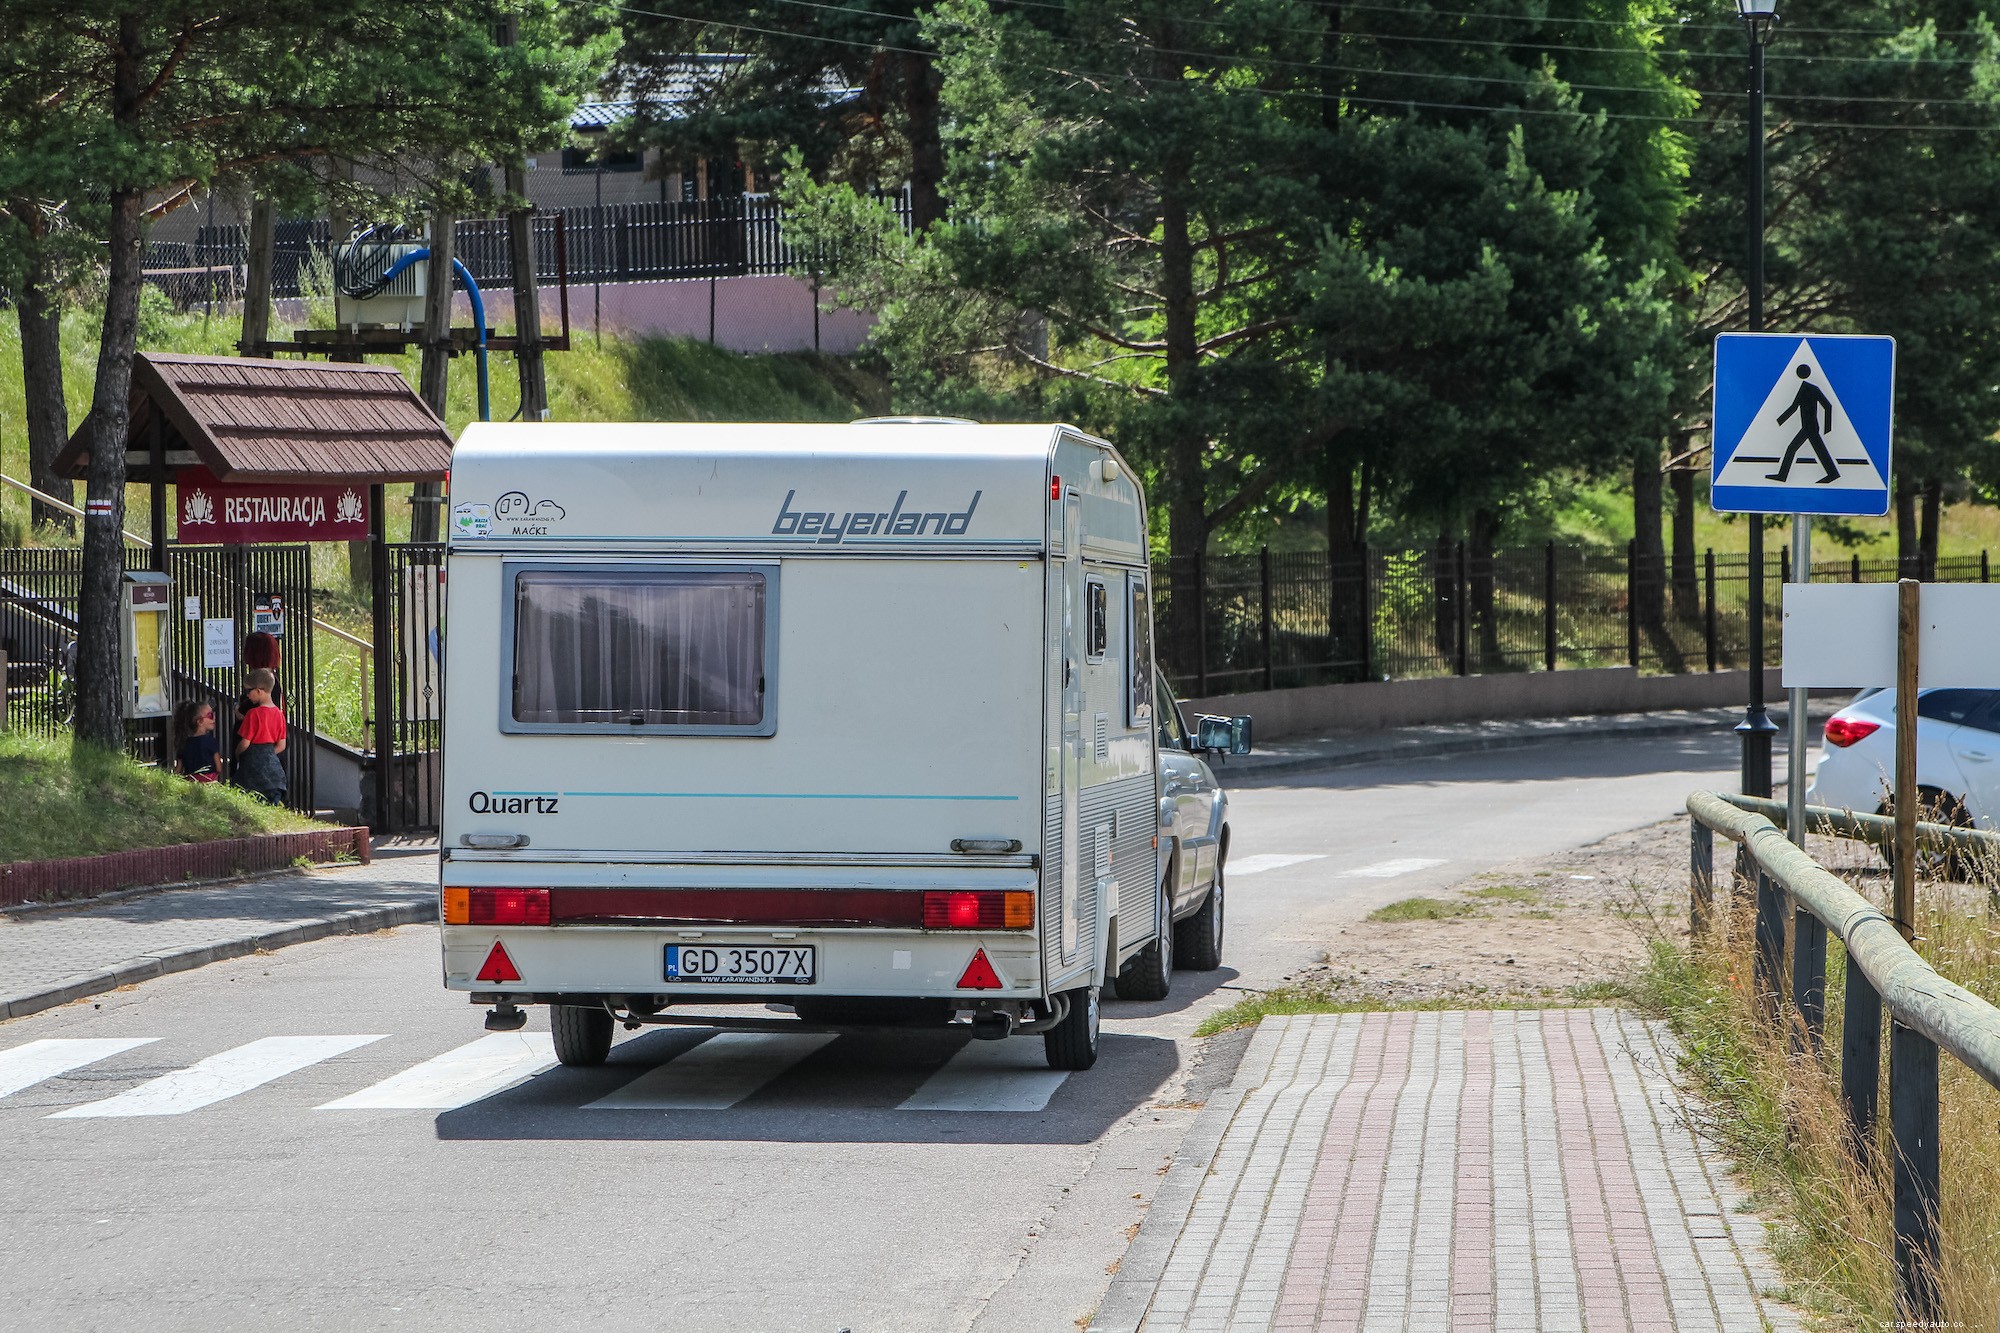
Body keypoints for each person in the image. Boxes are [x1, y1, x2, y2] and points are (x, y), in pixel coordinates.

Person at [234, 668, 288, 805]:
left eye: (248, 691)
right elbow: (282, 745)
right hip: (274, 771)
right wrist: (268, 754)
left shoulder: (253, 714)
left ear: (259, 691)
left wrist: (237, 753)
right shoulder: (279, 714)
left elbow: (245, 743)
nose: (247, 695)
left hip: (253, 768)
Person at [174, 700, 222, 782]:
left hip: (190, 782)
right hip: (209, 782)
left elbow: (178, 770)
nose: (214, 718)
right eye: (210, 715)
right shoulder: (211, 741)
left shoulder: (184, 743)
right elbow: (218, 767)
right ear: (199, 721)